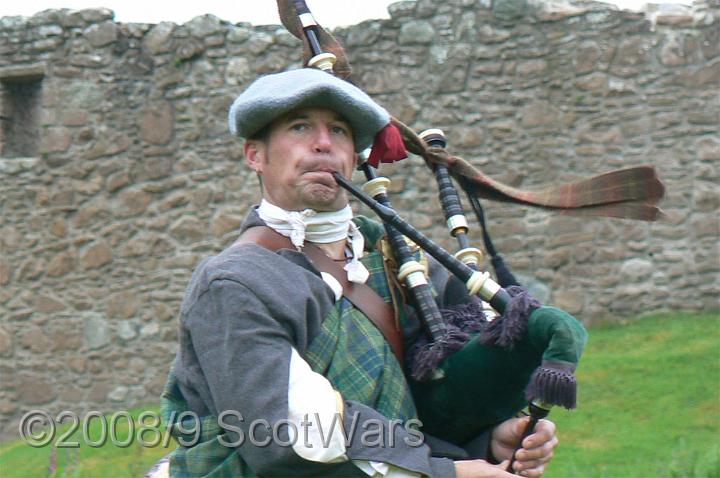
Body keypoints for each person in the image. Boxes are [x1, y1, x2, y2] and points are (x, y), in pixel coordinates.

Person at [160, 67, 559, 478]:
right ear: (255, 155)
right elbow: (294, 436)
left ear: (354, 156)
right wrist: (448, 475)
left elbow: (425, 401)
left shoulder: (397, 259)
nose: (322, 144)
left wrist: (488, 438)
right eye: (300, 128)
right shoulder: (234, 283)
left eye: (339, 131)